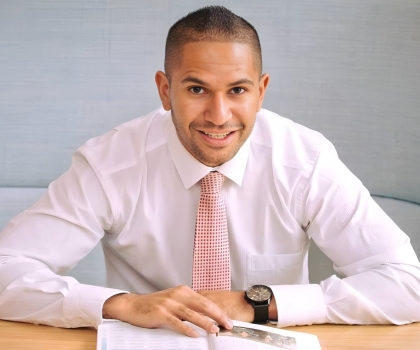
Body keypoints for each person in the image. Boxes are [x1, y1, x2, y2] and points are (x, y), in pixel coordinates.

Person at [0, 5, 419, 338]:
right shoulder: (111, 163)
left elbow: (407, 285)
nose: (219, 116)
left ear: (261, 91)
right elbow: (7, 268)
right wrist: (124, 304)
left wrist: (256, 303)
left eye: (237, 90)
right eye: (197, 89)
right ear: (166, 90)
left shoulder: (304, 160)